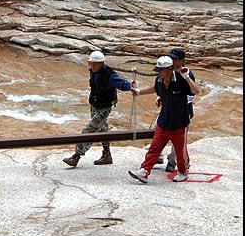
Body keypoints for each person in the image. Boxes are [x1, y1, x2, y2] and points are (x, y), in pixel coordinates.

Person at [128, 55, 201, 183]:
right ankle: (144, 171)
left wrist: (187, 77)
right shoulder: (159, 80)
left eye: (162, 70)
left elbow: (196, 91)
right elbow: (155, 89)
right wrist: (139, 92)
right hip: (164, 121)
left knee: (180, 152)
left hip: (179, 123)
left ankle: (183, 172)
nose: (160, 72)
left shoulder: (181, 79)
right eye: (158, 70)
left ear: (169, 69)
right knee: (154, 148)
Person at [62, 50, 134, 168]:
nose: (91, 66)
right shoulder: (93, 71)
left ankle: (76, 156)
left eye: (93, 63)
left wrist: (132, 86)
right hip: (95, 105)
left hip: (104, 108)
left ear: (101, 63)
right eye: (91, 63)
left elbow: (124, 85)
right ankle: (107, 155)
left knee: (88, 131)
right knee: (102, 129)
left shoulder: (110, 75)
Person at [164, 48, 196, 172]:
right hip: (167, 110)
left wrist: (175, 99)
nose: (171, 61)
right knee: (157, 131)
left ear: (181, 61)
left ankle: (172, 161)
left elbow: (192, 94)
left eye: (174, 59)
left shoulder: (188, 74)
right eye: (170, 58)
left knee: (178, 140)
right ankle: (158, 156)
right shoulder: (168, 71)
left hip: (182, 112)